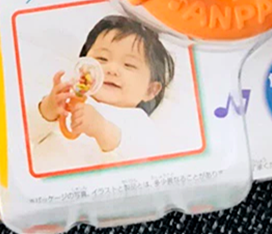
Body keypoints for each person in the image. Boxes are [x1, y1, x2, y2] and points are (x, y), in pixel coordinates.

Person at [28, 15, 175, 172]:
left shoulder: (138, 122)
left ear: (150, 90)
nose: (111, 69)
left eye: (128, 65)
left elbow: (144, 167)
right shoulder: (65, 100)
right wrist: (46, 111)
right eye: (102, 58)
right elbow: (23, 137)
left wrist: (102, 130)